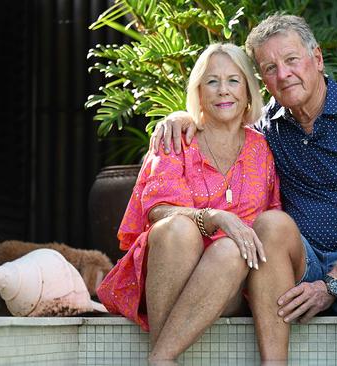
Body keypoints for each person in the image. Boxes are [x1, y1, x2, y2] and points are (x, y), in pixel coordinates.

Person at [151, 15, 337, 362]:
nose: (283, 74)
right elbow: (224, 117)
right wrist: (183, 118)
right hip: (303, 263)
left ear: (317, 59)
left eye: (291, 60)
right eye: (270, 67)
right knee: (271, 225)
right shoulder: (267, 131)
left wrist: (331, 284)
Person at [96, 43, 281, 362]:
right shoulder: (176, 138)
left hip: (230, 279)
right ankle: (164, 357)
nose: (223, 90)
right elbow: (157, 211)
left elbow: (270, 222)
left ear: (249, 91)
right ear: (198, 91)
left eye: (233, 80)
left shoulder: (262, 150)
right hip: (171, 264)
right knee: (176, 229)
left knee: (230, 248)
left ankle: (158, 357)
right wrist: (214, 218)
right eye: (212, 81)